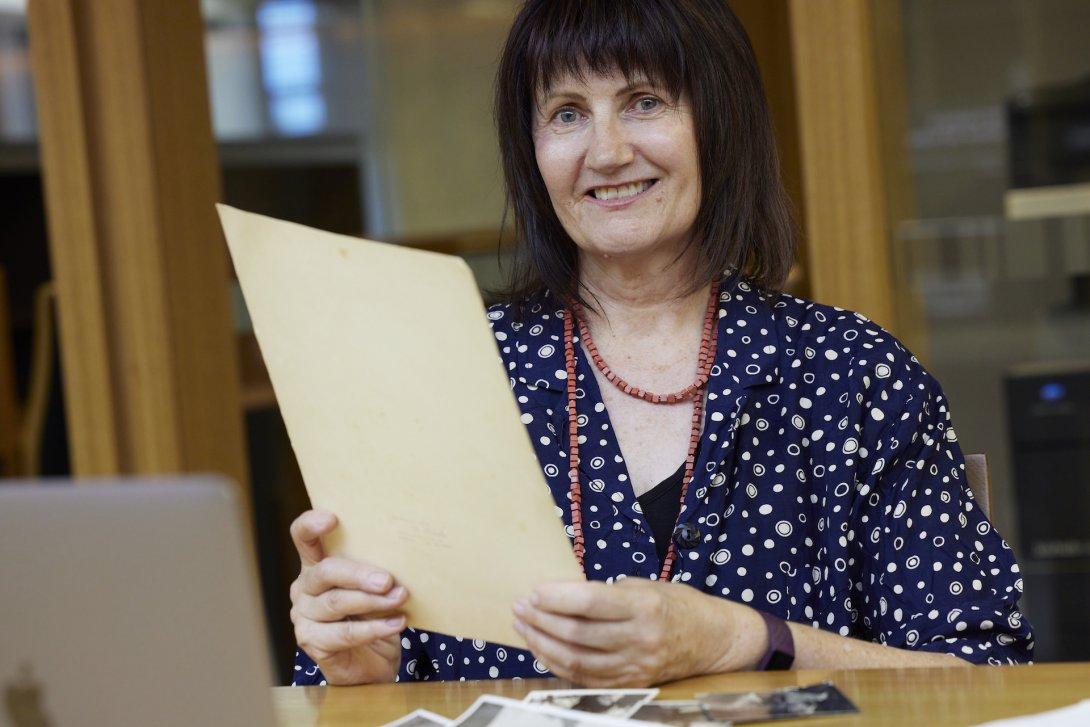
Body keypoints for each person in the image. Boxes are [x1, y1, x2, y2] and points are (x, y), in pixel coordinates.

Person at [288, 0, 1032, 688]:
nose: (607, 151)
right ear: (532, 150)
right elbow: (351, 688)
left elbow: (985, 677)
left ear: (719, 122)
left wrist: (740, 637)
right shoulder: (442, 378)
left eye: (645, 102)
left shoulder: (852, 374)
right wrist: (359, 667)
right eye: (567, 112)